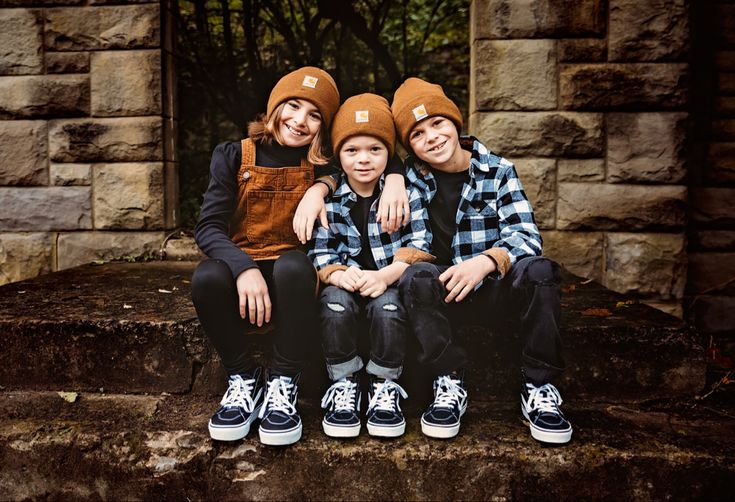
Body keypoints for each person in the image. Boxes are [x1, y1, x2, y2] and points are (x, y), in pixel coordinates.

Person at [191, 67, 408, 446]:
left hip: (293, 277)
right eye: (293, 106)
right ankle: (243, 377)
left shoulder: (323, 165)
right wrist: (242, 268)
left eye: (314, 115)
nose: (300, 121)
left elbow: (374, 153)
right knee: (206, 278)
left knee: (294, 264)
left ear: (324, 127)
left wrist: (392, 179)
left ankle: (283, 379)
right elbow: (208, 227)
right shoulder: (233, 154)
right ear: (274, 107)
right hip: (242, 267)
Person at [391, 77, 572, 444]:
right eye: (417, 134)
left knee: (540, 270)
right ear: (410, 146)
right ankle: (448, 381)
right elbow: (352, 169)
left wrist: (486, 261)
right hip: (441, 296)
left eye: (438, 124)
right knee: (415, 276)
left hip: (493, 288)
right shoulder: (410, 176)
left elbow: (526, 235)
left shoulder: (498, 169)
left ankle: (539, 389)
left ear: (455, 122)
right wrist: (393, 177)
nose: (432, 137)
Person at [308, 94, 434, 439]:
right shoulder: (330, 201)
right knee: (334, 305)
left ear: (388, 154)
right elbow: (320, 252)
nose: (363, 159)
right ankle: (344, 384)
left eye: (374, 150)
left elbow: (421, 245)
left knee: (389, 308)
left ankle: (384, 387)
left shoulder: (405, 194)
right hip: (343, 282)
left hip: (388, 281)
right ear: (339, 155)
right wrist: (335, 272)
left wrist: (386, 275)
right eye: (352, 151)